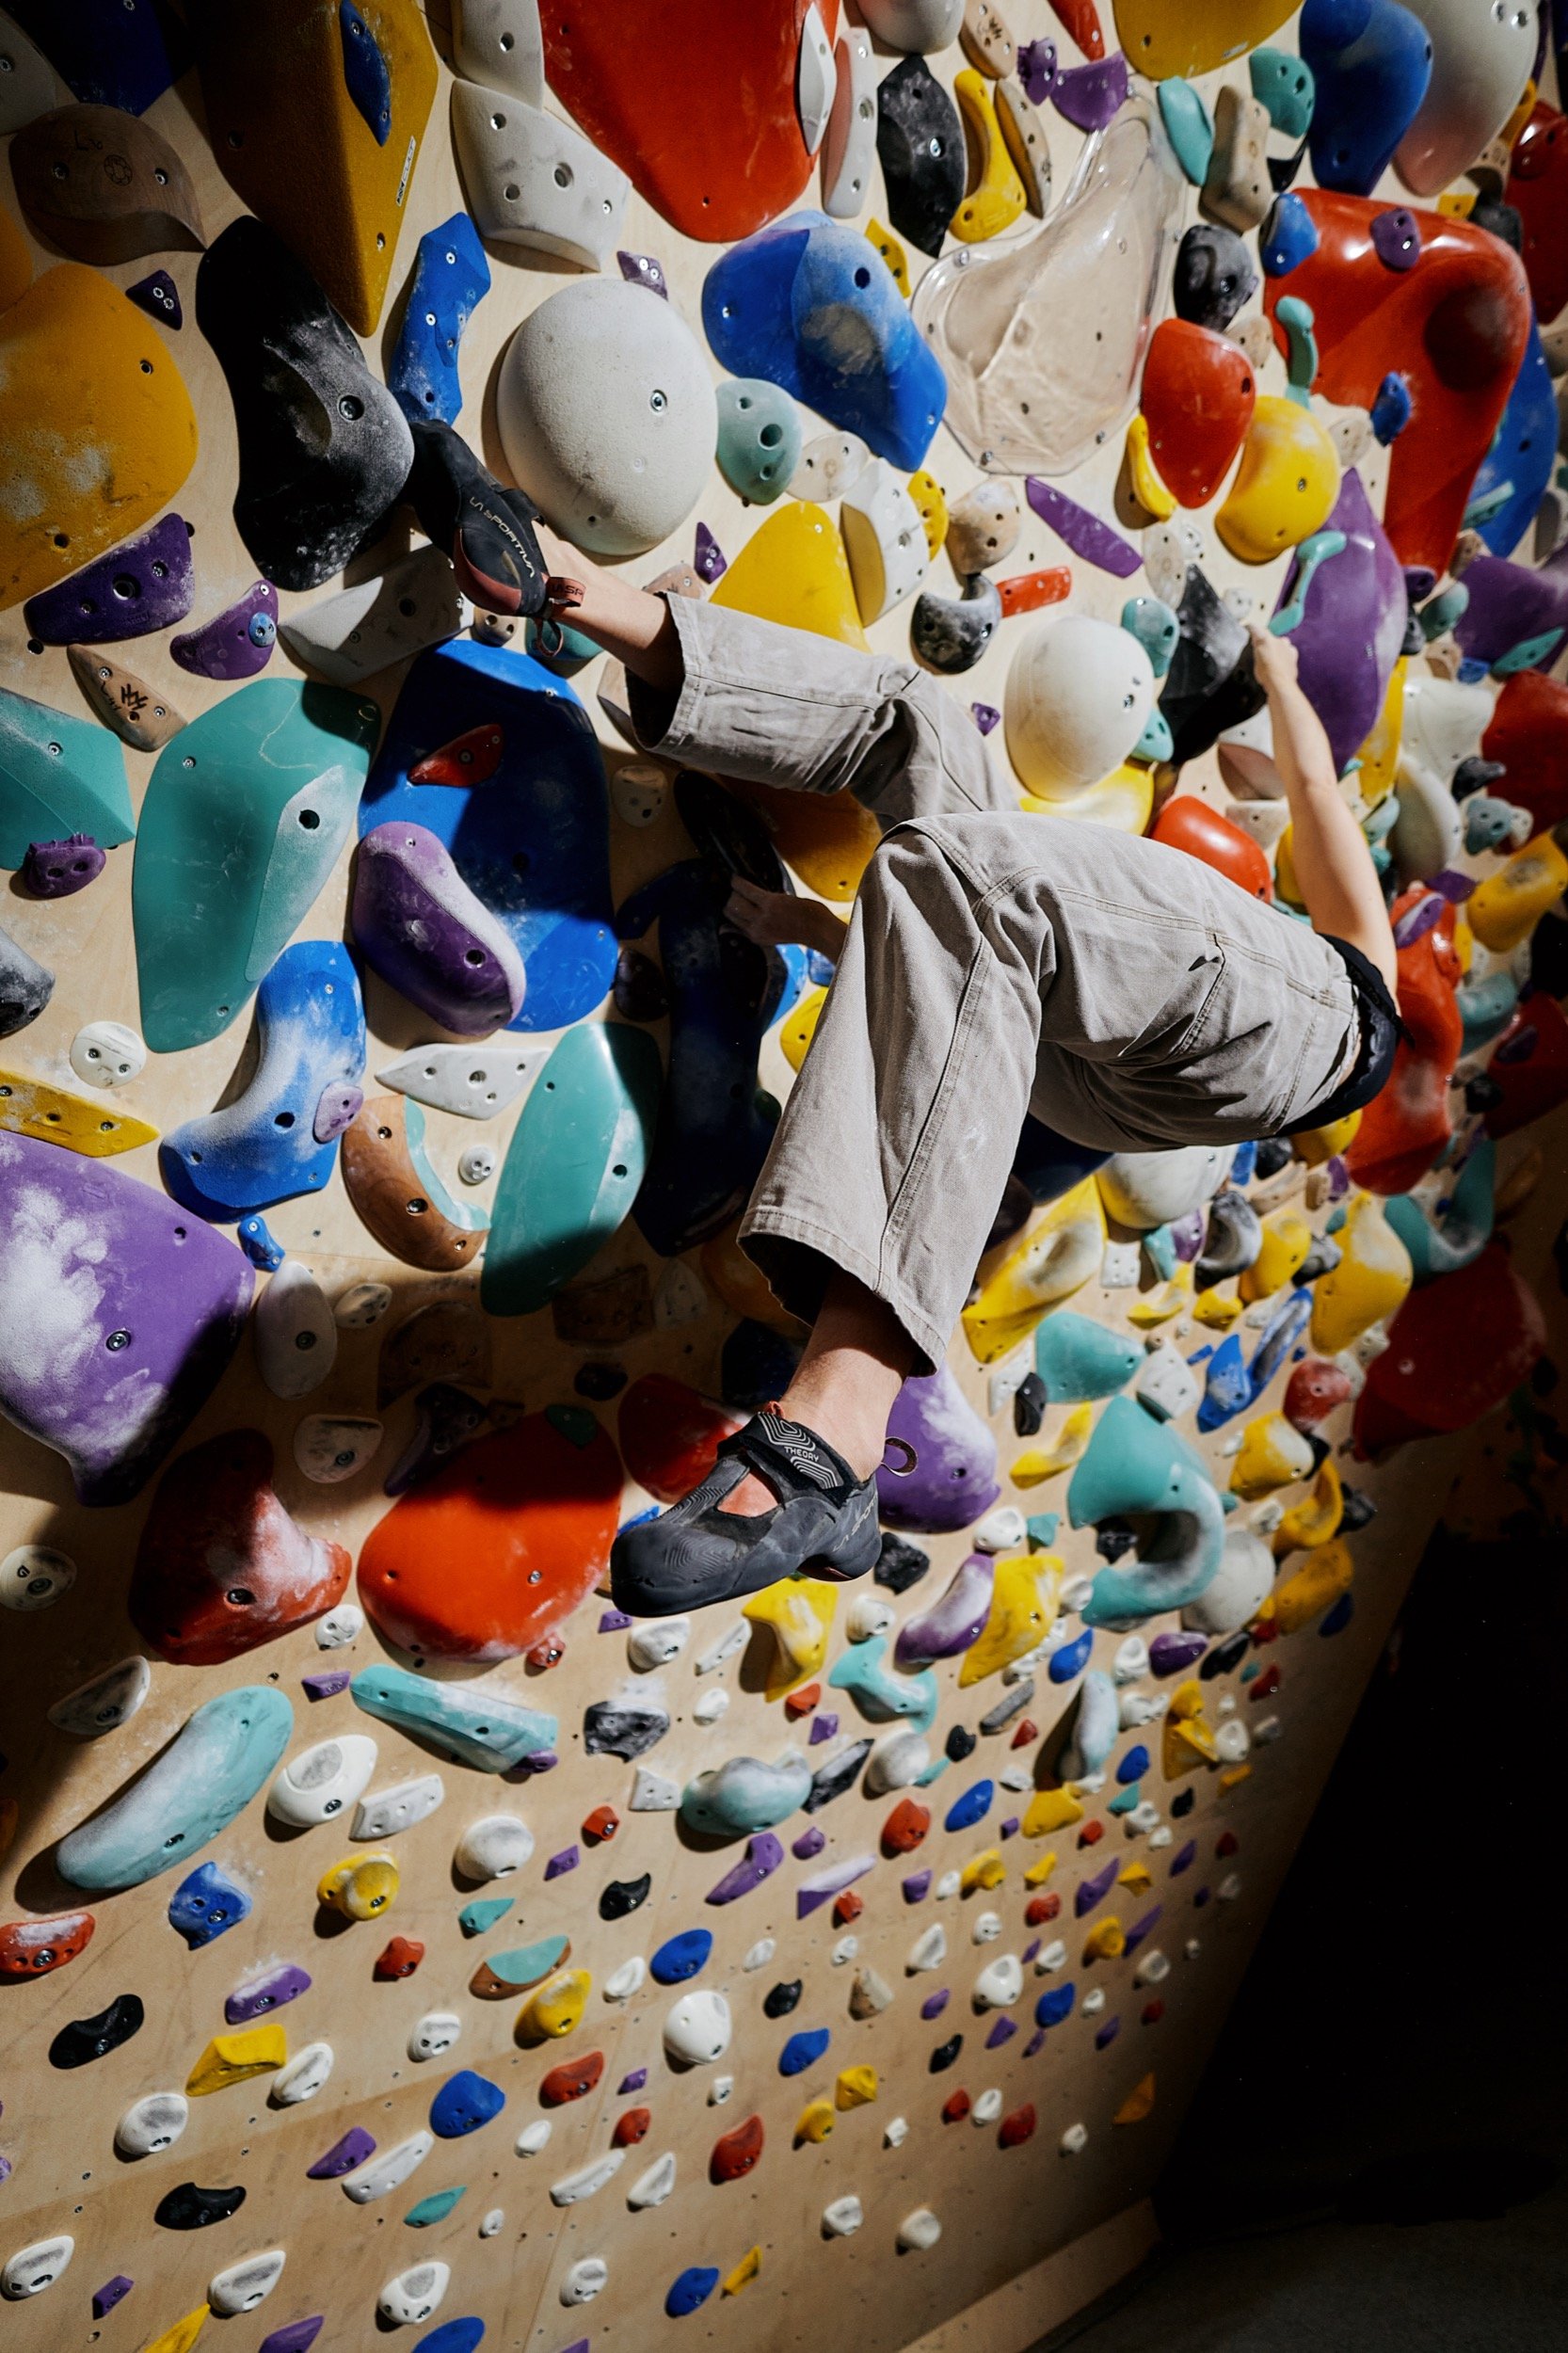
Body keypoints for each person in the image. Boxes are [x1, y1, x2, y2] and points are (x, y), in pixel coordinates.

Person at [530, 530, 1400, 1617]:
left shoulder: (1361, 973)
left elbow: (1316, 782)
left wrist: (1276, 670)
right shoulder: (1192, 978)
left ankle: (840, 1418)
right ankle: (626, 619)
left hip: (1319, 1029)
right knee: (920, 722)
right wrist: (834, 929)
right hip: (1097, 1078)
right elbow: (983, 984)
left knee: (980, 880)